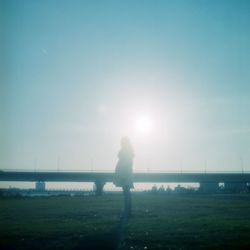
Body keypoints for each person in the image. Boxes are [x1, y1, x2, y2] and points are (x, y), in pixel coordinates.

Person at [114, 136, 134, 217]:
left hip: (125, 175)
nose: (121, 144)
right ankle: (127, 210)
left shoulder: (126, 152)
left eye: (122, 142)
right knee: (126, 192)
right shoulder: (129, 151)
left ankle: (127, 210)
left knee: (126, 192)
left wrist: (123, 175)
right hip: (125, 174)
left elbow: (125, 164)